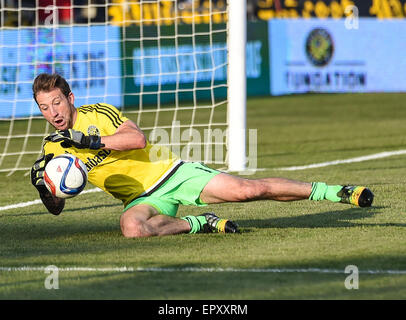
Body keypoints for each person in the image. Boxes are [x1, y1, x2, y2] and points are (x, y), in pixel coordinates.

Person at [30, 73, 374, 238]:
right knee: (132, 228)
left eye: (57, 102)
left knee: (248, 191)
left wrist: (89, 142)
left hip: (172, 173)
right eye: (45, 107)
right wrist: (46, 190)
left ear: (70, 97)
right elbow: (58, 206)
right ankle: (199, 223)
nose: (53, 112)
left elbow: (136, 139)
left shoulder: (97, 114)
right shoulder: (52, 150)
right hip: (138, 198)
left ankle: (335, 192)